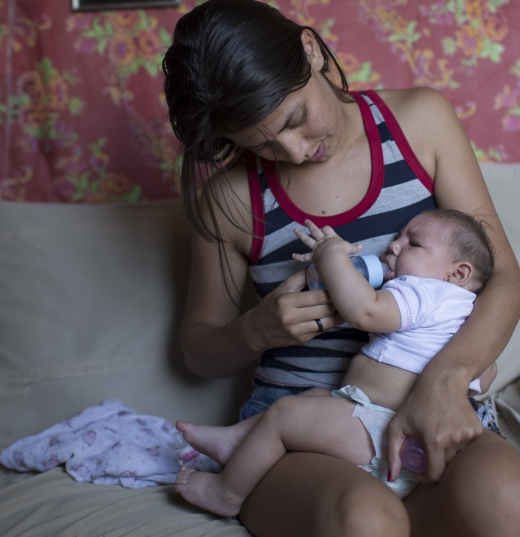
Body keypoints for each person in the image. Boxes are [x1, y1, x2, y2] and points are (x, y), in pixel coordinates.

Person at [162, 0, 520, 537]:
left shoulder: (420, 123)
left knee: (506, 496)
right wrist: (255, 329)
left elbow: (504, 281)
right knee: (366, 521)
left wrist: (443, 383)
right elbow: (198, 350)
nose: (294, 151)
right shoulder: (229, 199)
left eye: (296, 119)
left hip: (431, 405)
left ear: (312, 52)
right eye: (258, 145)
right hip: (299, 436)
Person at [175, 209, 497, 517]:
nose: (394, 246)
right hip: (388, 422)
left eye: (413, 243)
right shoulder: (467, 315)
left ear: (458, 273)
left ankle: (226, 493)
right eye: (398, 237)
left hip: (381, 428)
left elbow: (365, 311)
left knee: (285, 415)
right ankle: (237, 441)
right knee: (315, 394)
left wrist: (331, 255)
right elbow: (485, 373)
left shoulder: (423, 291)